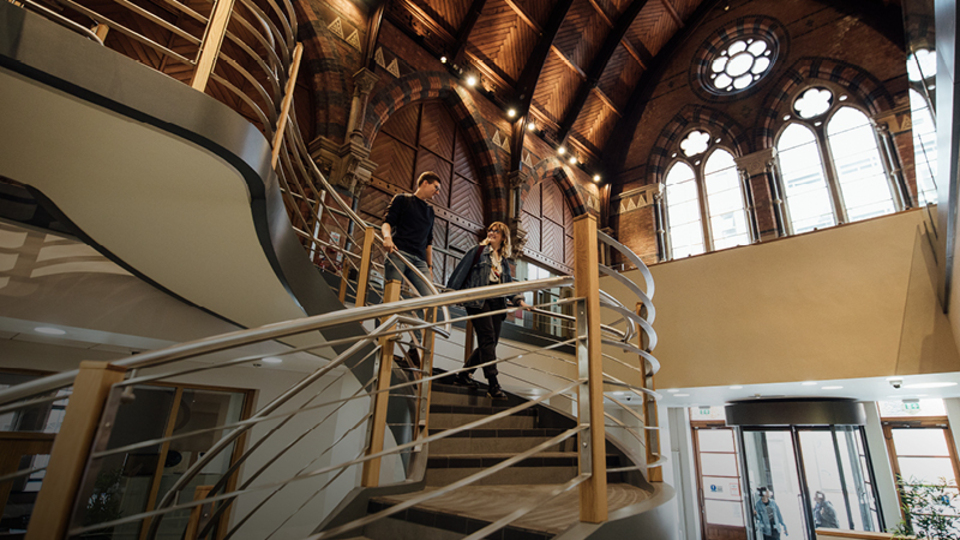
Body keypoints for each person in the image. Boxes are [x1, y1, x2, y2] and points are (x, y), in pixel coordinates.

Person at [446, 221, 531, 399]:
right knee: (487, 339)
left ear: (503, 237)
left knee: (490, 343)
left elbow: (508, 284)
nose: (492, 233)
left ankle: (463, 375)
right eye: (490, 230)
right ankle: (493, 385)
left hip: (497, 304)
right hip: (478, 301)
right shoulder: (477, 251)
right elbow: (460, 272)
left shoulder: (503, 261)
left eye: (496, 231)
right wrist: (449, 294)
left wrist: (519, 301)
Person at [382, 171, 441, 296]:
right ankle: (380, 316)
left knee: (430, 298)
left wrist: (430, 267)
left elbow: (428, 241)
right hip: (399, 253)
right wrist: (387, 238)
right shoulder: (402, 199)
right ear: (425, 183)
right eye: (436, 187)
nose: (437, 192)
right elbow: (387, 222)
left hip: (420, 260)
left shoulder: (430, 211)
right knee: (391, 297)